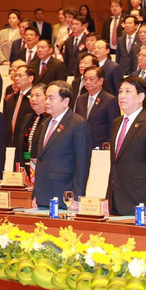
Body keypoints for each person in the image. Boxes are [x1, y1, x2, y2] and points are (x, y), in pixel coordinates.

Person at [108, 77, 146, 216]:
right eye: (120, 91)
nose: (122, 96)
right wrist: (107, 196)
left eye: (128, 91)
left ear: (141, 97)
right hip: (116, 199)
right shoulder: (116, 123)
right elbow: (114, 165)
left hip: (139, 200)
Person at [32, 81, 91, 209]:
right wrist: (35, 194)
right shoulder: (46, 122)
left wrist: (77, 198)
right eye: (46, 97)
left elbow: (82, 164)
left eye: (51, 98)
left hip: (64, 195)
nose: (46, 102)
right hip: (43, 193)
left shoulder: (78, 124)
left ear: (65, 102)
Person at [74, 66, 121, 149]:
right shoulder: (80, 99)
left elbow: (113, 127)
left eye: (91, 79)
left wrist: (108, 146)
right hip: (81, 144)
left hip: (100, 145)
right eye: (85, 79)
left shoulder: (110, 100)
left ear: (101, 80)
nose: (87, 82)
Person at [15, 84, 47, 178]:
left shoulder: (50, 119)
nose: (33, 99)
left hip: (42, 168)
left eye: (37, 95)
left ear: (47, 98)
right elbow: (20, 146)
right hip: (25, 164)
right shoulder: (27, 118)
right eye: (31, 96)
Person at [3, 65, 35, 148]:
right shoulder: (12, 98)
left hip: (27, 144)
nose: (16, 78)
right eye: (16, 75)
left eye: (20, 76)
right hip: (10, 142)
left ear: (30, 78)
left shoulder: (34, 99)